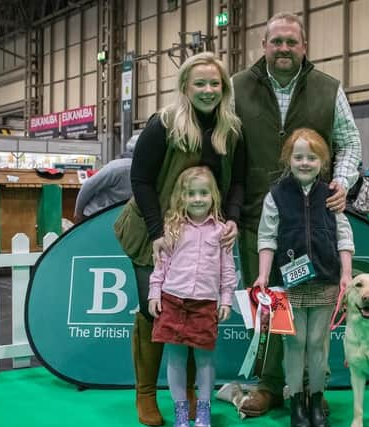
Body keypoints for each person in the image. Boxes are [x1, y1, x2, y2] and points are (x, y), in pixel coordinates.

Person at [232, 12, 361, 416]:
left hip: (316, 222)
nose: (284, 48)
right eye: (276, 42)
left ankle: (312, 391)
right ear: (263, 45)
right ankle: (271, 386)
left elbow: (350, 141)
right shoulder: (236, 87)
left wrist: (340, 183)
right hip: (260, 217)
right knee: (270, 306)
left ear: (303, 47)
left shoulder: (329, 89)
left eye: (291, 42)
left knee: (315, 323)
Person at [127, 52, 243, 426]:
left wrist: (233, 220)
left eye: (215, 84)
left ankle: (192, 397)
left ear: (223, 88)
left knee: (194, 315)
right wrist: (158, 232)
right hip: (154, 228)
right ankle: (146, 394)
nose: (208, 90)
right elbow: (140, 180)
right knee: (153, 309)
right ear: (185, 87)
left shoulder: (231, 128)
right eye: (200, 83)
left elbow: (238, 181)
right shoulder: (163, 123)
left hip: (202, 227)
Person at [254, 129, 353, 427]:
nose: (305, 162)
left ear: (322, 161)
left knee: (317, 342)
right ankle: (296, 400)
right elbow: (267, 237)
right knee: (295, 343)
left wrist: (346, 273)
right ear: (288, 159)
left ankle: (316, 400)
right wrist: (262, 274)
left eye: (312, 157)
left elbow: (343, 235)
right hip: (288, 284)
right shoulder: (276, 196)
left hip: (325, 281)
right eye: (298, 157)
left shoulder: (331, 195)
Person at [148, 166, 236, 427]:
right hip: (172, 300)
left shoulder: (221, 232)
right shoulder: (172, 228)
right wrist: (155, 293)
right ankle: (181, 413)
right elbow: (160, 266)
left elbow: (228, 269)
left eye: (203, 193)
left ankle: (204, 411)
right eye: (191, 194)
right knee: (175, 358)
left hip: (205, 303)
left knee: (205, 359)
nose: (197, 199)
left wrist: (227, 298)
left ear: (213, 197)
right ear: (182, 197)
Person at [73, 134, 139, 223]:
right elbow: (89, 186)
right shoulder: (118, 167)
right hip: (97, 215)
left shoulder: (116, 167)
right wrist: (78, 213)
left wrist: (78, 212)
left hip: (108, 216)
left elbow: (88, 186)